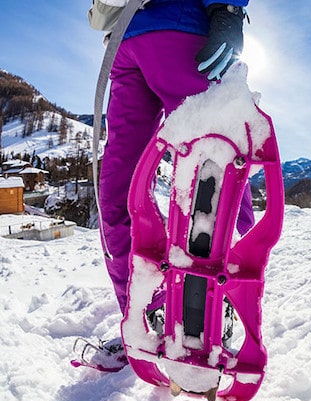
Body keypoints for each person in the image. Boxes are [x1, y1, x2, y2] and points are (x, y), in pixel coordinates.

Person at [87, 0, 252, 352]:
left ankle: (213, 310)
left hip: (181, 24)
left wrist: (228, 8)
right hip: (124, 41)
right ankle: (144, 318)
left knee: (214, 173)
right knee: (119, 192)